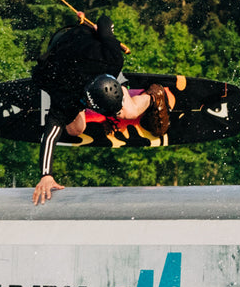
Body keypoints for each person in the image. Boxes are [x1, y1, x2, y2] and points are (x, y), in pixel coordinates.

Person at [29, 15, 173, 205]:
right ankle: (83, 112)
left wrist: (99, 29)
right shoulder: (64, 92)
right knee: (74, 130)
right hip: (60, 50)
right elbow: (50, 135)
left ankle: (154, 94)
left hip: (86, 42)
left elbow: (105, 20)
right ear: (88, 103)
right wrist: (46, 175)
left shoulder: (113, 60)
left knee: (128, 112)